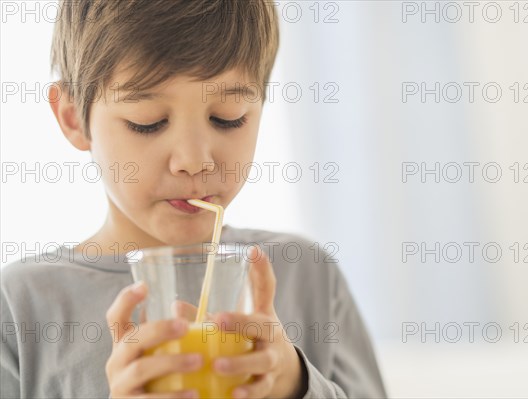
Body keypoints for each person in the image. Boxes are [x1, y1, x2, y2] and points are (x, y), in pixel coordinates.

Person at [0, 1, 387, 398]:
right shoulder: (20, 307)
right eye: (147, 122)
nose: (194, 161)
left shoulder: (306, 273)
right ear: (73, 118)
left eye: (228, 117)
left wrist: (295, 383)